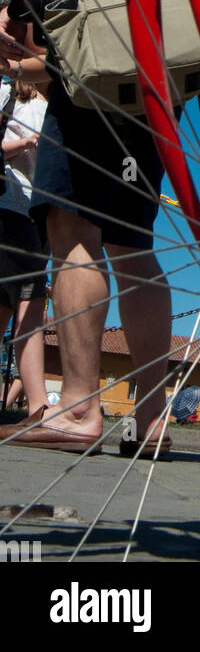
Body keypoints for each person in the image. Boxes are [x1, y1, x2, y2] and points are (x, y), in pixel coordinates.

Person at [0, 0, 179, 458]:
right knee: (133, 246)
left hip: (96, 98)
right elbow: (74, 55)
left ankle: (78, 407)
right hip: (152, 85)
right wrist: (17, 64)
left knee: (73, 232)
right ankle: (151, 416)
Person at [0, 74, 50, 420]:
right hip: (9, 202)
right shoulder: (8, 94)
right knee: (5, 304)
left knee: (32, 306)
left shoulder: (53, 103)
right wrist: (28, 142)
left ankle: (38, 404)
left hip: (40, 210)